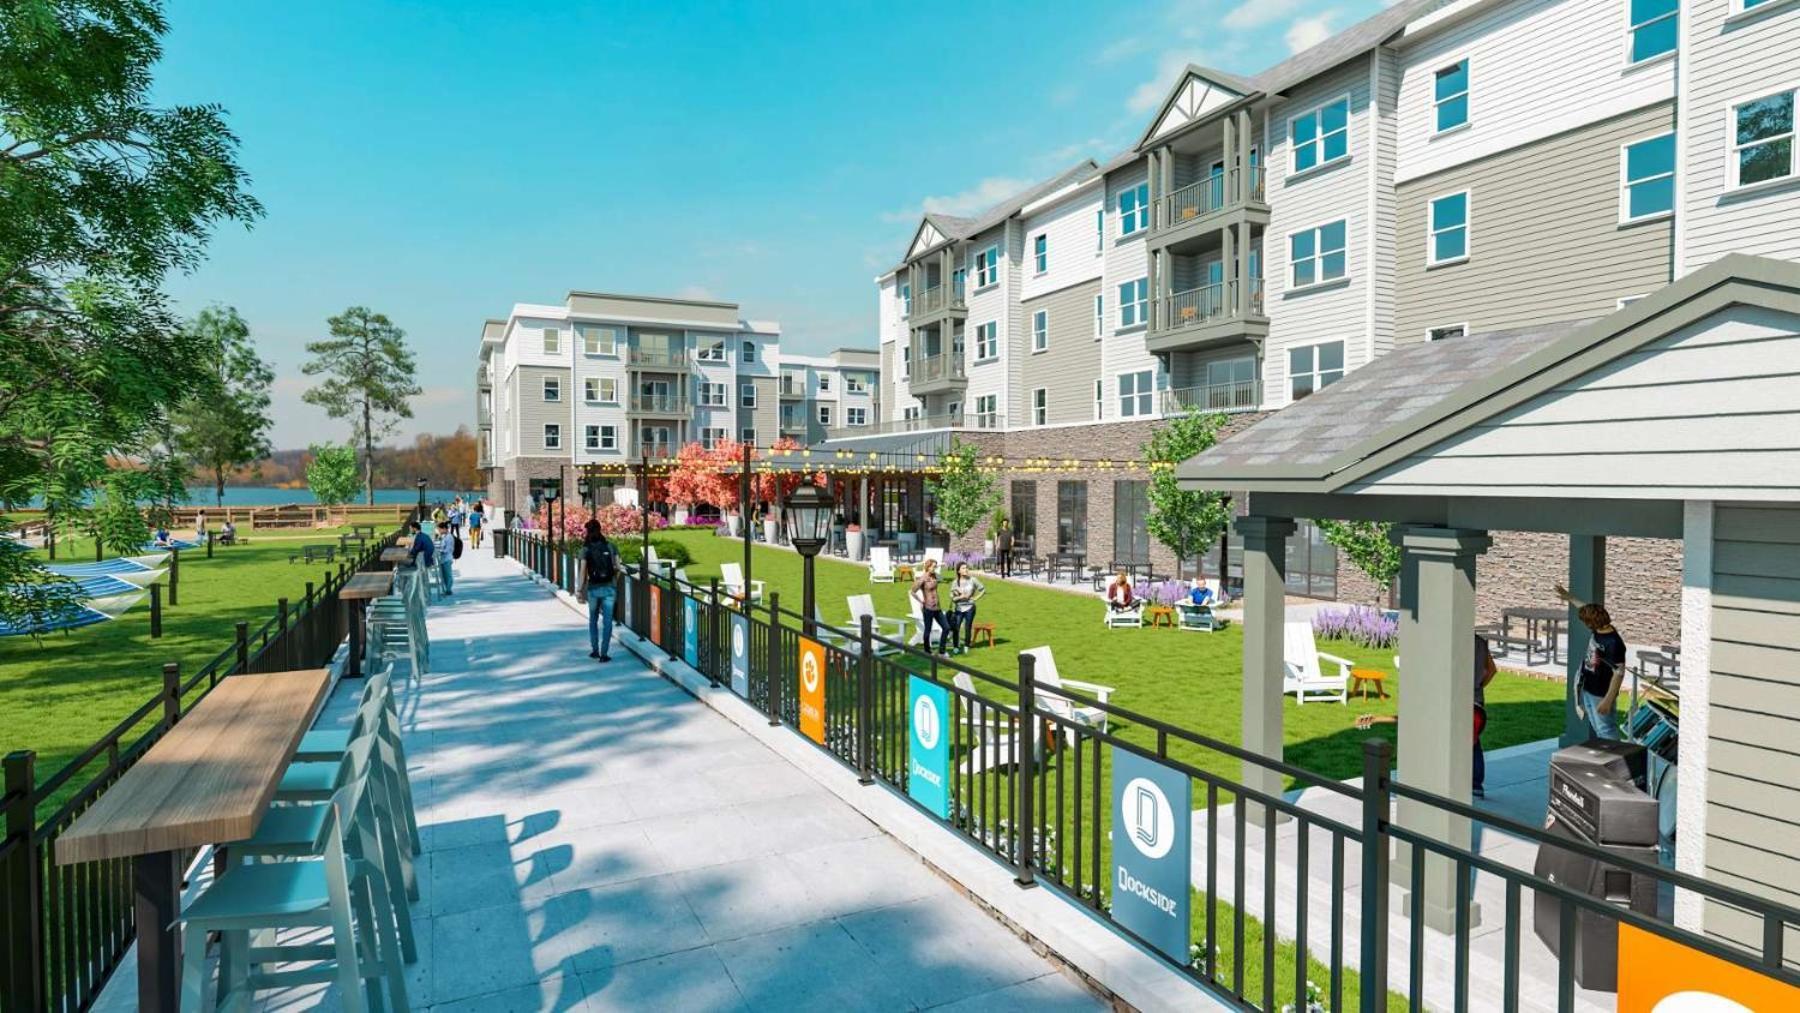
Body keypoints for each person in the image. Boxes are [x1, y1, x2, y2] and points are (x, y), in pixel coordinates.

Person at [1354, 633, 1496, 796]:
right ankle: (1475, 784)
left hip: (1455, 701)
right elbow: (1492, 671)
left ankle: (1441, 782)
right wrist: (1477, 687)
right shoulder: (1480, 643)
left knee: (1445, 741)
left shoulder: (1450, 640)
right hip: (1476, 704)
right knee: (1473, 743)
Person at [1554, 583, 1628, 740]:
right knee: (1597, 728)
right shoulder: (1600, 626)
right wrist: (1569, 597)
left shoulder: (1613, 643)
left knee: (1606, 730)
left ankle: (1615, 759)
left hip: (1600, 693)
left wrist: (1608, 700)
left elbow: (1619, 674)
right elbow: (1586, 608)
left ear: (1591, 623)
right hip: (1588, 686)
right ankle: (1604, 758)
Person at [580, 519, 618, 661]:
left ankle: (594, 650)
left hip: (593, 589)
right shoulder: (610, 546)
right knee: (607, 621)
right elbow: (618, 567)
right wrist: (614, 581)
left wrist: (579, 590)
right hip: (609, 588)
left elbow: (583, 572)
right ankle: (604, 653)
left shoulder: (586, 549)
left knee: (593, 620)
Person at [946, 562, 986, 654]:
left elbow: (983, 589)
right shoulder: (955, 583)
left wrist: (975, 598)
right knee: (956, 627)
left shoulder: (973, 580)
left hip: (970, 608)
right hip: (959, 608)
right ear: (959, 571)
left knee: (967, 627)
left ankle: (966, 646)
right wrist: (960, 597)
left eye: (967, 567)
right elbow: (952, 597)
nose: (966, 569)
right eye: (963, 568)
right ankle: (956, 646)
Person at [911, 557, 946, 654]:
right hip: (928, 608)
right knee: (928, 630)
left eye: (935, 567)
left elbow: (942, 578)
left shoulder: (935, 576)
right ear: (928, 567)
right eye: (933, 567)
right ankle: (927, 650)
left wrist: (939, 566)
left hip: (937, 607)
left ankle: (942, 651)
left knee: (946, 627)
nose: (935, 568)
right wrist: (921, 601)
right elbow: (912, 592)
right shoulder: (922, 579)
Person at [435, 523, 456, 596]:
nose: (439, 531)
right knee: (443, 575)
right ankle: (445, 589)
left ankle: (448, 589)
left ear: (444, 528)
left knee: (448, 575)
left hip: (447, 558)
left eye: (439, 529)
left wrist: (440, 550)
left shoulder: (449, 537)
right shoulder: (444, 536)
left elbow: (448, 549)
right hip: (443, 558)